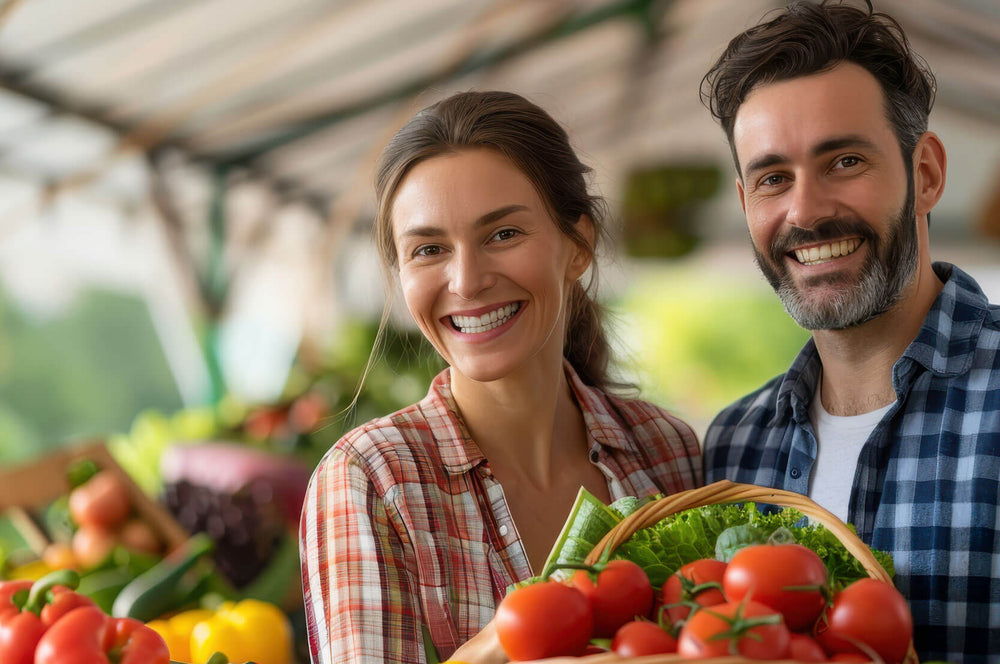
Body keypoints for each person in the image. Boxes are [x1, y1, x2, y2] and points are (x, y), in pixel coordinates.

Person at [299, 90, 702, 664]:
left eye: (503, 234)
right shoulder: (372, 480)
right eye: (429, 248)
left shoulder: (666, 450)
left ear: (578, 244)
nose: (465, 280)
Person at [699, 1, 1000, 661]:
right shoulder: (734, 444)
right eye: (773, 178)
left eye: (844, 162)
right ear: (746, 201)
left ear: (925, 174)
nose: (804, 211)